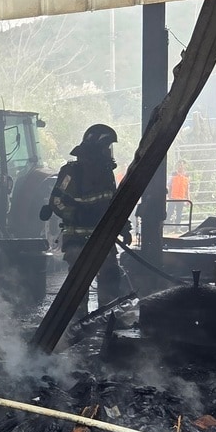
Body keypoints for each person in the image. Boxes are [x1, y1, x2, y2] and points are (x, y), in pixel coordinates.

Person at [40, 123, 127, 313]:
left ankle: (107, 320)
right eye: (105, 147)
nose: (108, 152)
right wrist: (78, 214)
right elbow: (56, 201)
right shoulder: (72, 171)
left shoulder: (107, 173)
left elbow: (113, 203)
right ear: (95, 148)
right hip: (77, 239)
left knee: (110, 278)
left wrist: (123, 226)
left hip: (103, 238)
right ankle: (77, 323)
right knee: (78, 285)